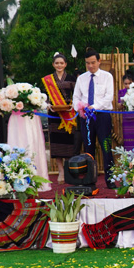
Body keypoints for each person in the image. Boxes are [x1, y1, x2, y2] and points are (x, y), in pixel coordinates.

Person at [73, 50, 115, 189]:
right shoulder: (81, 78)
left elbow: (109, 97)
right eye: (87, 63)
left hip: (102, 115)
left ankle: (111, 179)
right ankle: (89, 179)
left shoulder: (107, 76)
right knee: (88, 148)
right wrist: (80, 108)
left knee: (106, 146)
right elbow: (76, 98)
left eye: (93, 62)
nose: (90, 66)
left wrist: (94, 107)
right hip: (85, 117)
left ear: (99, 61)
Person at [42, 53, 79, 184]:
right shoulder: (48, 79)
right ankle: (60, 172)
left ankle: (69, 171)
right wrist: (48, 106)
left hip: (68, 114)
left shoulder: (71, 78)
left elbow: (77, 94)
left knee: (69, 142)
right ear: (53, 64)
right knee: (56, 143)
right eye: (57, 63)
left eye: (61, 63)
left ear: (65, 64)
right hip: (54, 114)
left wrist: (73, 105)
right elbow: (44, 97)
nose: (59, 65)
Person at [118, 73, 134, 151]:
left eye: (129, 83)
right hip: (126, 119)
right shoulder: (122, 92)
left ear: (133, 82)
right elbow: (118, 106)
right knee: (127, 139)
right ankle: (128, 157)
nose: (127, 85)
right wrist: (123, 101)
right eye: (125, 84)